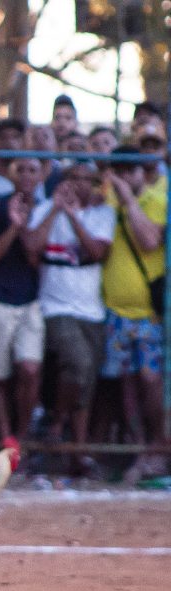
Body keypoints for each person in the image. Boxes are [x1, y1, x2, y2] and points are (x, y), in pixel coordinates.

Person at [24, 163, 113, 475]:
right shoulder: (44, 209)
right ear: (63, 182)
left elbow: (96, 252)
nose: (81, 186)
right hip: (55, 307)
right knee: (78, 364)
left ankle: (76, 451)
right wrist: (55, 211)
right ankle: (56, 422)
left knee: (85, 380)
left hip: (92, 309)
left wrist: (74, 217)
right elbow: (32, 247)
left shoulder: (103, 214)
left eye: (88, 180)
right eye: (74, 179)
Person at [102, 146, 168, 482]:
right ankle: (139, 451)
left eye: (132, 170)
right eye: (120, 170)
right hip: (115, 312)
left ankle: (158, 447)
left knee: (151, 380)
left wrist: (128, 201)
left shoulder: (156, 199)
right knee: (126, 384)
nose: (125, 176)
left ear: (143, 172)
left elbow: (149, 242)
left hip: (149, 315)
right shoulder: (106, 202)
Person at [0, 157, 46, 442]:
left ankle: (23, 437)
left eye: (32, 168)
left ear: (41, 175)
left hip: (31, 301)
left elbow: (36, 259)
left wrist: (28, 224)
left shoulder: (46, 210)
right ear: (10, 175)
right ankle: (7, 441)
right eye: (21, 169)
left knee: (30, 369)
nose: (27, 174)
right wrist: (13, 227)